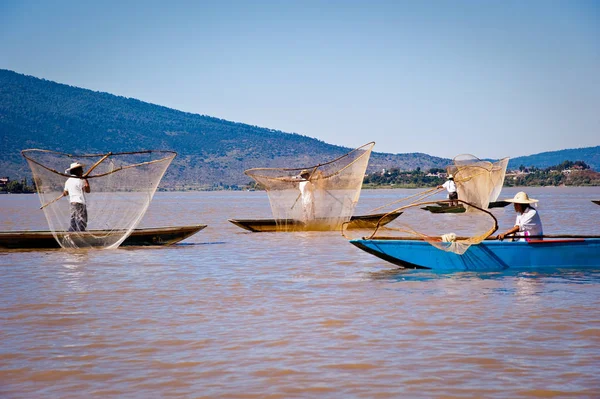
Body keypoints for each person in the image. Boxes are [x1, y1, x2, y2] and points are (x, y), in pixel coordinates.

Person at [63, 162, 90, 231]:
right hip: (80, 202)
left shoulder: (68, 181)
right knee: (82, 220)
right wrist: (86, 180)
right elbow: (87, 190)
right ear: (77, 171)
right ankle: (80, 235)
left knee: (74, 220)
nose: (82, 171)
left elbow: (65, 193)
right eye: (81, 170)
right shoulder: (80, 180)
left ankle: (71, 233)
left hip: (72, 203)